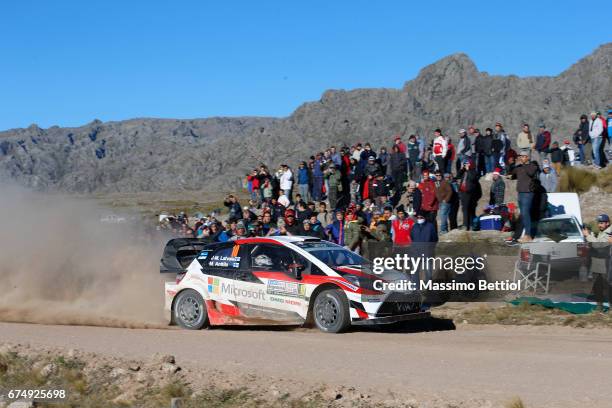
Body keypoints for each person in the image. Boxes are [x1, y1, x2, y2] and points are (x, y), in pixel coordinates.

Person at [508, 150, 539, 242]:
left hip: (528, 193)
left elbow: (531, 173)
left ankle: (528, 235)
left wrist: (523, 165)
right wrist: (511, 164)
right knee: (523, 214)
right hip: (520, 193)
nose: (521, 158)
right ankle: (524, 234)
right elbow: (512, 174)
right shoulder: (519, 167)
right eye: (520, 156)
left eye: (523, 156)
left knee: (525, 213)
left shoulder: (532, 166)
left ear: (527, 157)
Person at [457, 159, 481, 230]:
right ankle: (468, 224)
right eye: (465, 164)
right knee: (465, 209)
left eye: (467, 164)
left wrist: (468, 170)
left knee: (467, 209)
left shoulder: (474, 172)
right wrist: (462, 169)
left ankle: (466, 225)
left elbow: (472, 178)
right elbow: (458, 176)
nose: (466, 165)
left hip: (469, 193)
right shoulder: (464, 172)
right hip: (463, 192)